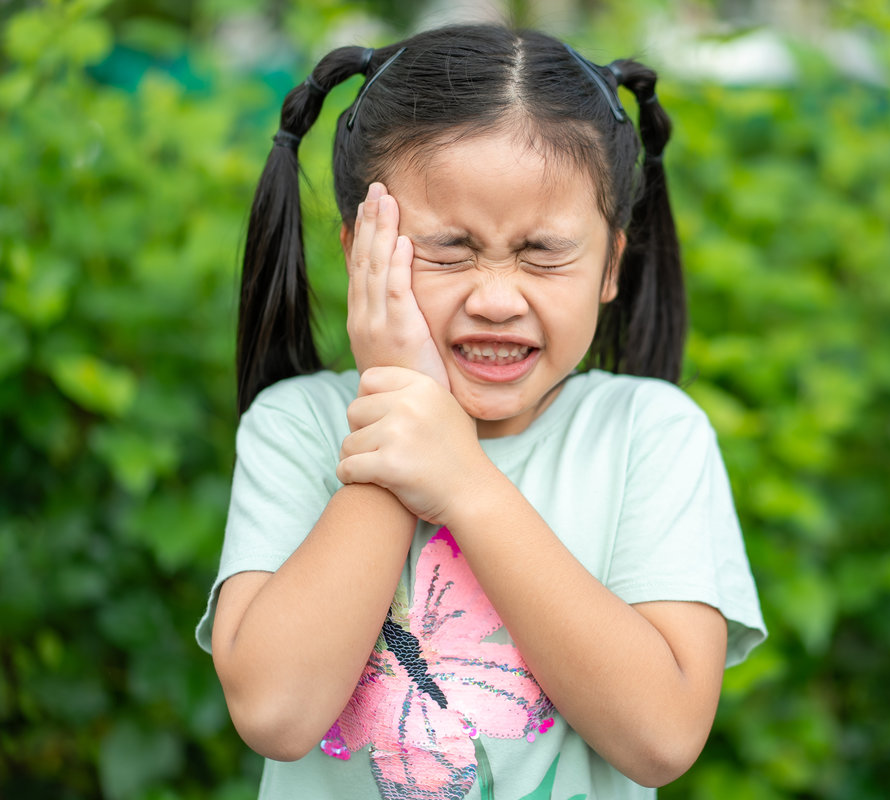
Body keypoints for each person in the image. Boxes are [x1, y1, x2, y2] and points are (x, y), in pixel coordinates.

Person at [195, 23, 765, 800]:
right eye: (448, 249)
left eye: (542, 252)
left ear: (610, 266)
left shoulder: (648, 435)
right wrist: (402, 414)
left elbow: (662, 736)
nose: (496, 299)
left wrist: (463, 480)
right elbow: (274, 711)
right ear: (363, 249)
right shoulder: (297, 426)